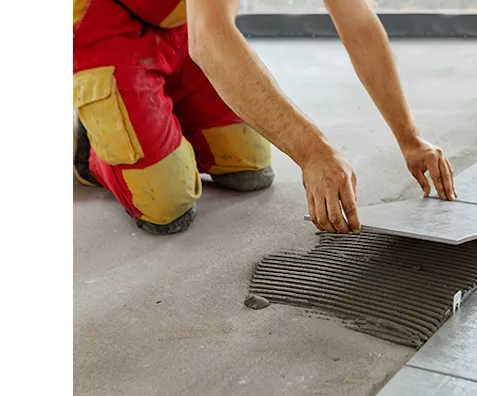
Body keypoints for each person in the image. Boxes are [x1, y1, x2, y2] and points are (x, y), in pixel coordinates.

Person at [73, 0, 457, 235]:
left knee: (247, 165)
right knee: (165, 202)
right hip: (101, 20)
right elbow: (209, 42)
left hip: (179, 19)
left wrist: (409, 137)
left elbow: (358, 24)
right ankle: (92, 149)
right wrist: (315, 153)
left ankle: (157, 105)